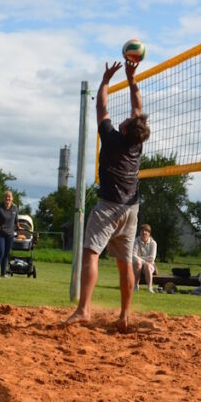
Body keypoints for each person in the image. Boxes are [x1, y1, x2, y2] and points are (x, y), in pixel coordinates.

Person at [63, 59, 149, 332]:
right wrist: (132, 78)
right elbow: (138, 108)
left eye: (126, 121)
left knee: (90, 253)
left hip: (109, 206)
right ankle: (125, 315)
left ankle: (84, 309)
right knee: (125, 262)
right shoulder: (137, 143)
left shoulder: (112, 138)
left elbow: (101, 107)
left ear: (124, 129)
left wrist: (105, 80)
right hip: (131, 209)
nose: (127, 118)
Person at [0, 190, 18, 278]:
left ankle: (4, 273)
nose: (8, 198)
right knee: (1, 252)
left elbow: (16, 220)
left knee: (7, 253)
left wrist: (19, 227)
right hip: (0, 233)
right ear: (3, 198)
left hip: (10, 234)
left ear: (12, 198)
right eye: (6, 197)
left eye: (9, 197)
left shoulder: (15, 208)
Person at [133, 224, 158, 292]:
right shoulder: (135, 241)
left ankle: (150, 287)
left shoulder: (153, 243)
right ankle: (136, 285)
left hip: (150, 266)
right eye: (142, 231)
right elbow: (133, 256)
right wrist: (142, 261)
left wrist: (141, 259)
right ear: (140, 232)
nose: (144, 233)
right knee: (138, 263)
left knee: (147, 265)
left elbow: (152, 258)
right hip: (136, 266)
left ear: (149, 233)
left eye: (146, 231)